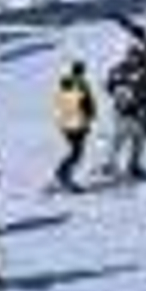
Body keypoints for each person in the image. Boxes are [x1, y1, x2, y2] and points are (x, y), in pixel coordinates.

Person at [102, 46, 146, 180]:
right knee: (123, 138)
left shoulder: (126, 70)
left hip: (133, 110)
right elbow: (109, 86)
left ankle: (129, 165)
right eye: (135, 57)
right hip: (127, 110)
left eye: (137, 57)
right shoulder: (134, 71)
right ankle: (114, 164)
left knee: (135, 140)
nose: (137, 59)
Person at [51, 61, 96, 192]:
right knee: (77, 152)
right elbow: (87, 106)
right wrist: (89, 118)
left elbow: (60, 104)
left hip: (66, 123)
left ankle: (63, 173)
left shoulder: (65, 84)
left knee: (75, 151)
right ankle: (63, 175)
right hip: (77, 123)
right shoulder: (81, 85)